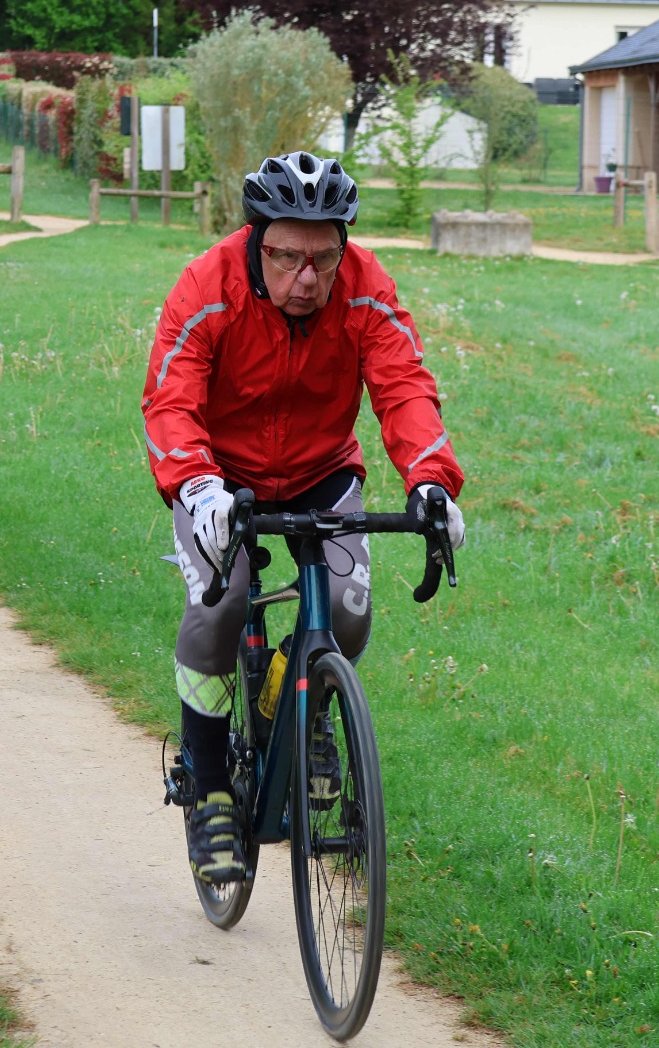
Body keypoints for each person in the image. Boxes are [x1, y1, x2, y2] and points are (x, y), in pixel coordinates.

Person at [141, 151, 466, 884]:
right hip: (220, 478)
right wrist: (196, 484)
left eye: (324, 257)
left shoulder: (366, 286)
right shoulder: (207, 285)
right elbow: (170, 397)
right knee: (221, 603)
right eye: (288, 257)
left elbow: (404, 384)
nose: (308, 279)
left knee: (347, 610)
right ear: (258, 241)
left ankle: (298, 699)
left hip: (322, 470)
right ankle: (209, 783)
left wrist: (430, 481)